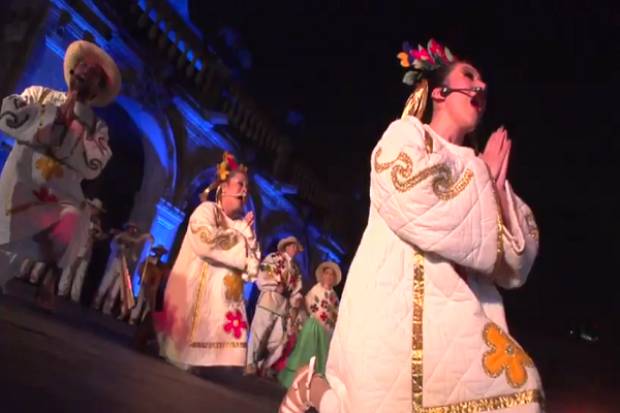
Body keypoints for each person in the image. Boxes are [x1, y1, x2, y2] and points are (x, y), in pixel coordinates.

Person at [279, 39, 543, 413]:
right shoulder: (407, 135)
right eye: (470, 76)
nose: (481, 86)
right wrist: (483, 176)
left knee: (520, 396)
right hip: (394, 300)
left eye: (484, 82)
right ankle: (313, 386)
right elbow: (413, 201)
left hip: (458, 314)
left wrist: (498, 189)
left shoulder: (483, 173)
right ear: (439, 92)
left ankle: (313, 386)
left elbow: (516, 263)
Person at [0, 40, 120, 308]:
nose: (86, 72)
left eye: (94, 73)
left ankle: (51, 275)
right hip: (22, 183)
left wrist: (72, 124)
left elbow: (93, 164)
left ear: (98, 87)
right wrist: (53, 116)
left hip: (60, 196)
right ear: (73, 71)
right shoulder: (39, 94)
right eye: (83, 67)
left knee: (74, 219)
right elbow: (9, 115)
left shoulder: (97, 126)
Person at [156, 152, 260, 369]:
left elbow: (252, 264)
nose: (244, 190)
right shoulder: (207, 210)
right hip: (193, 289)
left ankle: (204, 354)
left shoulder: (240, 224)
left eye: (246, 187)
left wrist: (246, 235)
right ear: (224, 187)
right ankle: (185, 350)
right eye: (240, 184)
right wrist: (241, 239)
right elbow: (206, 241)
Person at [245, 236, 304, 377]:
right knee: (259, 332)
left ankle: (262, 364)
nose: (294, 249)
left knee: (277, 339)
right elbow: (263, 274)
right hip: (269, 300)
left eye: (296, 247)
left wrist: (295, 300)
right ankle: (249, 363)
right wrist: (274, 285)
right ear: (286, 247)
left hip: (283, 306)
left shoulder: (295, 269)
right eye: (292, 246)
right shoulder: (274, 258)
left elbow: (296, 289)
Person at [278, 261, 340, 388]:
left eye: (331, 274)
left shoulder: (334, 296)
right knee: (305, 351)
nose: (328, 276)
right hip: (312, 326)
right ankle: (296, 379)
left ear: (333, 279)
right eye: (326, 273)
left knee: (319, 356)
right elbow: (307, 303)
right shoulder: (316, 289)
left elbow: (334, 315)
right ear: (322, 276)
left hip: (325, 331)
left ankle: (312, 385)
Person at [92, 222, 153, 318]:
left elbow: (134, 257)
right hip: (115, 262)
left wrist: (134, 254)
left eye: (135, 230)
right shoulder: (121, 236)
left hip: (123, 266)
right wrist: (144, 237)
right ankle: (96, 303)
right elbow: (131, 241)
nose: (133, 231)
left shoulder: (131, 243)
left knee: (116, 288)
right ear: (128, 228)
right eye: (132, 229)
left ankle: (107, 308)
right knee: (106, 283)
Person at [57, 198, 107, 302]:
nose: (97, 212)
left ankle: (74, 295)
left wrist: (97, 233)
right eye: (96, 209)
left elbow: (99, 235)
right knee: (69, 269)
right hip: (77, 246)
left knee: (80, 273)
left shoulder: (96, 221)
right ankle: (62, 291)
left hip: (87, 250)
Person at [129, 245, 169, 325]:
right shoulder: (148, 259)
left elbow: (162, 276)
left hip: (153, 287)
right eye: (158, 251)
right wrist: (141, 277)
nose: (159, 253)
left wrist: (159, 285)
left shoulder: (162, 265)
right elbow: (141, 268)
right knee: (140, 301)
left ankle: (144, 321)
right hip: (145, 283)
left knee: (149, 305)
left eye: (160, 252)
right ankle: (133, 318)